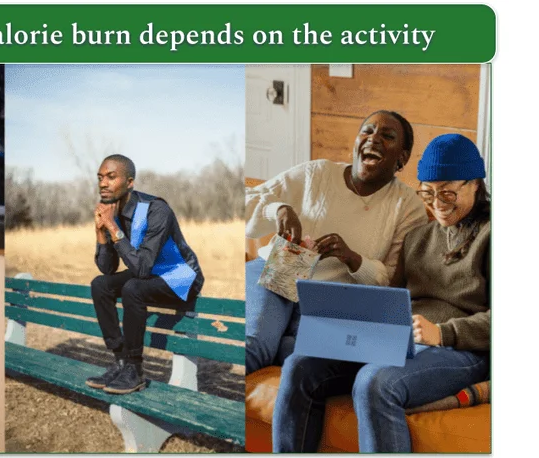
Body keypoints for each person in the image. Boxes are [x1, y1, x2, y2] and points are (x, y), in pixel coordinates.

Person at [272, 133, 491, 453]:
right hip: (401, 340)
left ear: (474, 183)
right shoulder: (418, 238)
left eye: (447, 193)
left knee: (374, 381)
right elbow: (392, 299)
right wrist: (351, 318)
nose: (438, 205)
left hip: (462, 351)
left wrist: (443, 333)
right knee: (300, 364)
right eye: (428, 193)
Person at [245, 110, 429, 373]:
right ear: (356, 143)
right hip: (276, 272)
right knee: (255, 346)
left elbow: (392, 281)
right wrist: (278, 209)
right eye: (367, 131)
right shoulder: (317, 174)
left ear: (402, 157)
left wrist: (353, 259)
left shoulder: (407, 206)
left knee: (301, 357)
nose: (373, 139)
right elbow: (245, 199)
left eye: (387, 136)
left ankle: (279, 340)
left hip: (329, 303)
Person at [86, 154, 204, 394]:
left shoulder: (156, 210)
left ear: (130, 182)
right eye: (100, 178)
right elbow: (108, 269)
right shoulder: (112, 212)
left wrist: (113, 228)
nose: (103, 183)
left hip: (181, 276)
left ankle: (134, 369)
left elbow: (140, 269)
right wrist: (101, 232)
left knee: (133, 289)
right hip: (150, 275)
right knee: (100, 285)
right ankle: (120, 360)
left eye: (111, 177)